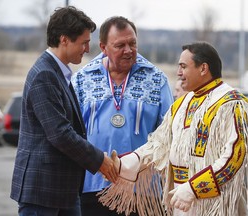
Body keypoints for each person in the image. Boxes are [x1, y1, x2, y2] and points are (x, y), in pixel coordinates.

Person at [98, 42, 248, 216]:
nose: (178, 73)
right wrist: (122, 165)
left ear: (203, 68)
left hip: (217, 206)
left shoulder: (234, 104)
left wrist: (193, 189)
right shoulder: (182, 104)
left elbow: (234, 158)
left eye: (183, 66)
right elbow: (158, 145)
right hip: (181, 202)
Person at [10, 6, 118, 216]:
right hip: (43, 192)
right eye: (84, 42)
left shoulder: (58, 72)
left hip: (62, 192)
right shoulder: (45, 75)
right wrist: (100, 161)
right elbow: (60, 133)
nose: (87, 49)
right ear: (64, 39)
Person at [72, 16, 174, 215]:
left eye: (132, 43)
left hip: (142, 191)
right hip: (92, 186)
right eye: (120, 45)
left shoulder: (156, 79)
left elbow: (169, 132)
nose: (129, 50)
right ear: (103, 47)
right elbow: (71, 132)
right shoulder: (82, 79)